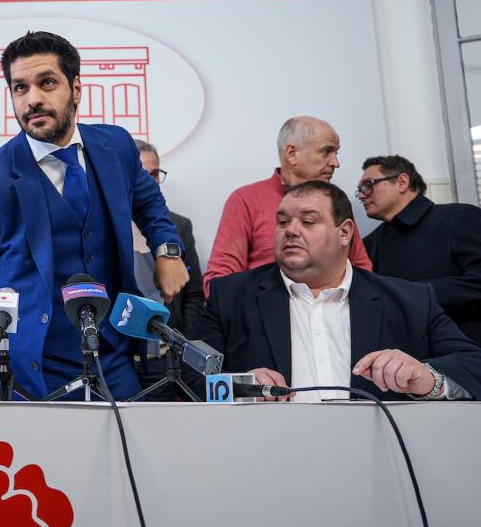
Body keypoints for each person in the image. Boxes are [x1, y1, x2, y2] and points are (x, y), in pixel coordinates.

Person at [0, 31, 189, 400]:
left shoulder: (115, 146)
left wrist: (167, 250)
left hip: (111, 358)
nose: (32, 99)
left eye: (46, 82)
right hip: (24, 371)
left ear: (75, 89)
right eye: (20, 87)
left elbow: (149, 203)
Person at [187, 181, 481, 402]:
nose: (290, 230)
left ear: (345, 232)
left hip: (381, 454)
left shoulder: (410, 300)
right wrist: (242, 387)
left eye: (308, 221)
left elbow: (473, 365)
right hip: (266, 451)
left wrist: (426, 377)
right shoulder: (231, 296)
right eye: (282, 221)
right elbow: (188, 373)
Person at [203, 115, 372, 294]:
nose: (335, 163)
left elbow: (362, 270)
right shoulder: (246, 200)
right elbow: (219, 283)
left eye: (308, 221)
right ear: (291, 153)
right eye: (326, 151)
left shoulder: (335, 201)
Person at [358, 155, 481, 344]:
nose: (361, 195)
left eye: (369, 185)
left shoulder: (460, 217)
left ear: (402, 182)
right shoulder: (369, 244)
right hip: (404, 355)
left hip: (467, 350)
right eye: (360, 190)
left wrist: (413, 294)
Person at [133, 139, 204, 400]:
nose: (151, 182)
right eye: (142, 174)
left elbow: (194, 294)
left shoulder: (179, 226)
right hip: (119, 359)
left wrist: (182, 343)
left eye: (155, 174)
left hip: (165, 359)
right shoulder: (103, 227)